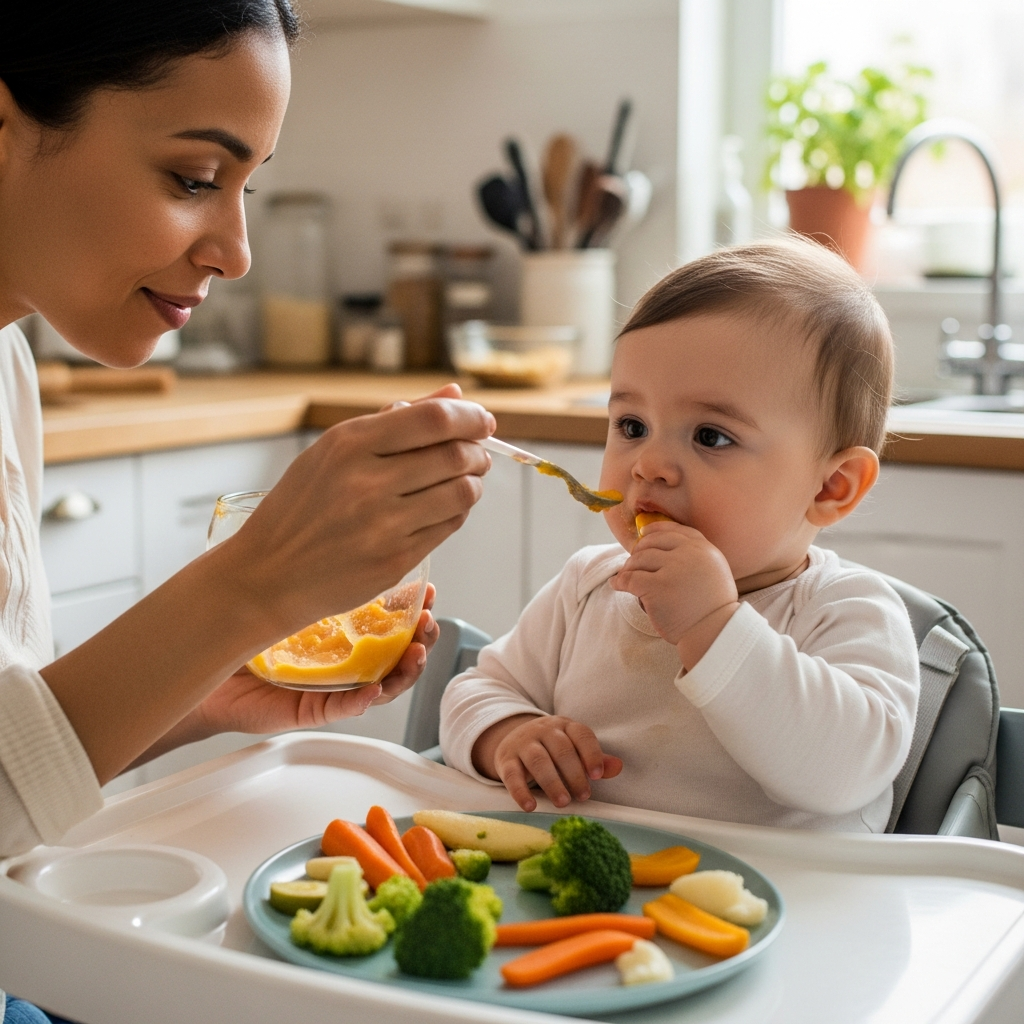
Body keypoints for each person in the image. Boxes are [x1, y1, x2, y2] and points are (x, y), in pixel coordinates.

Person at [0, 0, 495, 868]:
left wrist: (199, 693)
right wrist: (252, 584)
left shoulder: (9, 365)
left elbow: (15, 766)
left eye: (246, 186)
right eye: (195, 178)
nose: (236, 252)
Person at [440, 238, 921, 833]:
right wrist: (507, 733)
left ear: (831, 487)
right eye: (632, 426)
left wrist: (712, 625)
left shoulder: (848, 613)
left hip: (779, 913)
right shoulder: (589, 588)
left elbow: (846, 771)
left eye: (710, 437)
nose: (649, 465)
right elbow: (477, 689)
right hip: (598, 907)